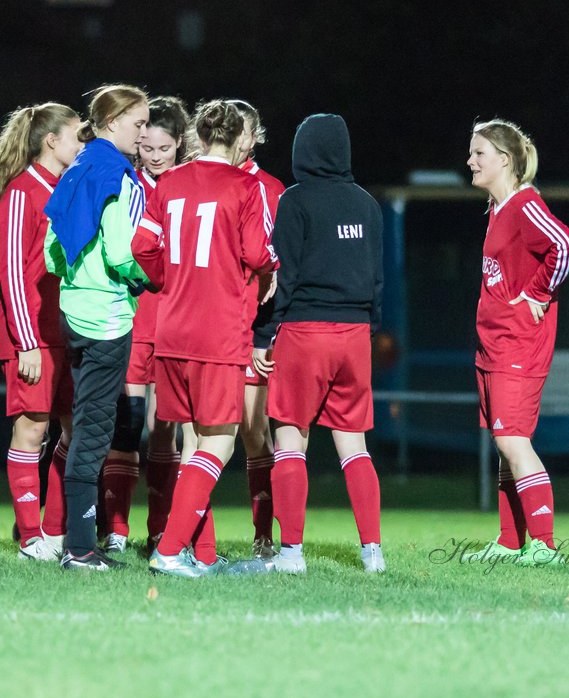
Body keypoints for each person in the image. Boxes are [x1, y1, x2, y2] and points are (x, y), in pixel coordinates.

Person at [132, 99, 276, 578]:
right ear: (239, 139)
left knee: (192, 443)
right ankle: (170, 550)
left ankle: (201, 552)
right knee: (220, 445)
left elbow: (142, 245)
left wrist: (167, 279)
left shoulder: (169, 181)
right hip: (217, 330)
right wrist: (267, 270)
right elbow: (258, 251)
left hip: (170, 330)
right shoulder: (246, 186)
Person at [252, 114, 386, 574]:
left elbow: (283, 277)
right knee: (355, 448)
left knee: (289, 438)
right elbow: (377, 279)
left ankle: (291, 553)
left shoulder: (295, 200)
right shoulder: (367, 204)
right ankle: (373, 553)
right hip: (354, 337)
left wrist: (263, 334)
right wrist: (370, 328)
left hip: (305, 333)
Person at [461, 118, 569, 566]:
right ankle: (511, 541)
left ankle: (544, 546)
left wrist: (537, 293)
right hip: (493, 346)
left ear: (505, 160)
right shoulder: (496, 210)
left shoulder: (524, 204)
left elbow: (566, 246)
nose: (470, 161)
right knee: (505, 444)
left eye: (479, 153)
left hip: (518, 346)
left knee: (514, 442)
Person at [43, 83, 150, 571]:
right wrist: (150, 277)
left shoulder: (75, 169)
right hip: (107, 317)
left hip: (74, 315)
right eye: (138, 123)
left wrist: (76, 282)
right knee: (92, 432)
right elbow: (121, 252)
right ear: (112, 123)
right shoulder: (119, 176)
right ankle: (81, 548)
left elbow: (52, 250)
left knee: (83, 428)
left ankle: (77, 543)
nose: (144, 134)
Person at [0, 103, 82, 562]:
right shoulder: (23, 193)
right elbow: (10, 272)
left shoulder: (65, 190)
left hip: (67, 332)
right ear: (52, 141)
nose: (81, 144)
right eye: (76, 136)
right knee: (32, 431)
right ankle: (29, 539)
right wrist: (25, 340)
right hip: (33, 337)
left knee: (74, 429)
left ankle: (54, 529)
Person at [98, 95, 191, 554]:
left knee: (165, 427)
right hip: (132, 317)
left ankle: (160, 529)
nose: (153, 156)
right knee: (127, 423)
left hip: (175, 318)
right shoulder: (126, 182)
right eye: (146, 147)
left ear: (179, 145)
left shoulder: (187, 187)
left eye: (163, 148)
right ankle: (116, 529)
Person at [229, 99, 285, 558]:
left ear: (253, 137)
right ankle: (182, 540)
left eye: (243, 131)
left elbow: (277, 257)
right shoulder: (200, 181)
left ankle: (265, 537)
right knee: (196, 433)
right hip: (210, 323)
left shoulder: (270, 189)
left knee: (253, 430)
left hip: (255, 326)